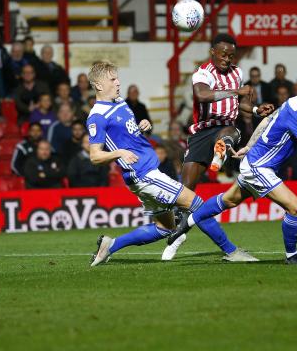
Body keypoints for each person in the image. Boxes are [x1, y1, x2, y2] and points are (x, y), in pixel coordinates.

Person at [167, 67, 297, 265]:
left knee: (228, 200)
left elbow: (268, 120)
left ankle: (185, 223)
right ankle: (292, 256)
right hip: (260, 167)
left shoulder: (294, 103)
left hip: (255, 162)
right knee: (295, 207)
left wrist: (249, 146)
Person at [85, 60, 251, 266]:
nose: (118, 82)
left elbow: (125, 135)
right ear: (99, 85)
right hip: (144, 174)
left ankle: (111, 245)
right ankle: (232, 251)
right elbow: (95, 156)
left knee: (164, 228)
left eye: (117, 77)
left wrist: (141, 127)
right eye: (112, 79)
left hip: (143, 173)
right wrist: (120, 153)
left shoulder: (119, 102)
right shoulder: (97, 117)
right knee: (197, 205)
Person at [160, 34, 274, 262]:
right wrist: (236, 92)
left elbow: (238, 104)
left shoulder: (237, 73)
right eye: (223, 54)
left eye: (231, 55)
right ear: (213, 52)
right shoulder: (202, 73)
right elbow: (202, 95)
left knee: (230, 132)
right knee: (186, 192)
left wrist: (254, 111)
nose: (227, 59)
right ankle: (179, 236)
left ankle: (221, 151)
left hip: (224, 127)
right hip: (201, 133)